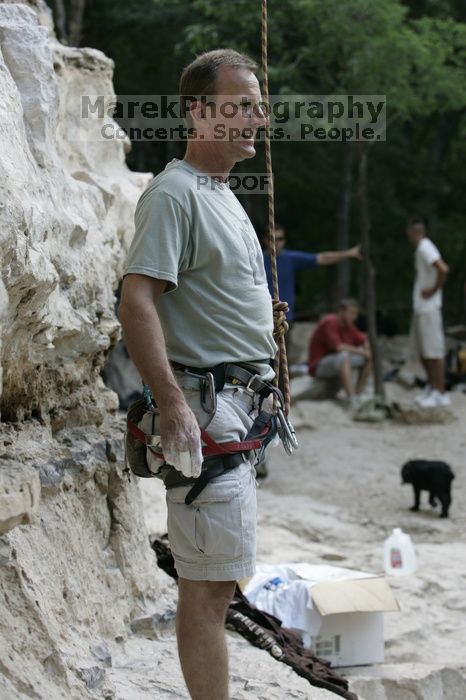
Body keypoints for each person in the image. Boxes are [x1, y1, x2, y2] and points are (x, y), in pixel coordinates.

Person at [119, 50, 279, 700]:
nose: (255, 118)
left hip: (235, 412)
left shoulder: (220, 193)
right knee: (209, 587)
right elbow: (136, 299)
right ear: (197, 110)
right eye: (239, 103)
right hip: (206, 417)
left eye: (258, 105)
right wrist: (174, 406)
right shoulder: (175, 192)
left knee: (219, 579)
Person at [262, 225, 362, 329]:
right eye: (272, 238)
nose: (276, 242)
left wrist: (349, 253)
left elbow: (322, 258)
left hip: (284, 317)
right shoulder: (258, 259)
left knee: (283, 345)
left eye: (280, 239)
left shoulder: (290, 259)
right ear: (265, 240)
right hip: (261, 316)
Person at [406, 217, 450, 407]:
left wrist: (434, 290)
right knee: (424, 351)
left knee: (434, 351)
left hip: (429, 307)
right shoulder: (422, 248)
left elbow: (443, 269)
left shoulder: (425, 247)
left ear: (413, 232)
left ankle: (441, 393)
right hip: (420, 307)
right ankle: (432, 387)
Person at [308, 298, 371, 402]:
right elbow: (338, 347)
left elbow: (363, 339)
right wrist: (361, 351)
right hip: (318, 366)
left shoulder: (349, 326)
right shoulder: (330, 321)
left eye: (355, 314)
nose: (354, 317)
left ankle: (357, 393)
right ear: (341, 312)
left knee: (368, 358)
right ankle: (351, 398)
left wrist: (366, 349)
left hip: (335, 363)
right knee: (344, 356)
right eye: (351, 313)